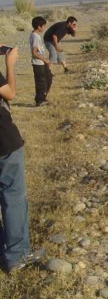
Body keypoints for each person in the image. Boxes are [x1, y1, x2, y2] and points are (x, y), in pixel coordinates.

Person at [0, 44, 43, 272]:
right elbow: (9, 92)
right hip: (4, 141)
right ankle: (17, 256)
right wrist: (10, 64)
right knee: (13, 197)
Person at [30, 16, 52, 106]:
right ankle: (39, 100)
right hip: (38, 63)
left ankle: (43, 97)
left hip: (42, 62)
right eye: (43, 26)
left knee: (48, 79)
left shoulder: (36, 35)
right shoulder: (35, 37)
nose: (44, 28)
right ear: (39, 26)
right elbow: (34, 53)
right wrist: (45, 60)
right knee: (41, 82)